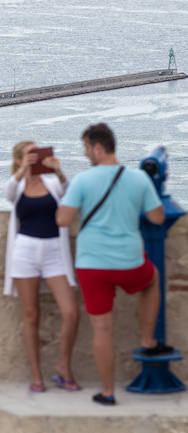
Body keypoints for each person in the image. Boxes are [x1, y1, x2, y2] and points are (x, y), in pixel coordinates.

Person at [57, 123, 165, 406]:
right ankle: (147, 340)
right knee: (152, 280)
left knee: (102, 329)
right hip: (129, 260)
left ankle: (108, 392)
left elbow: (63, 220)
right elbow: (156, 218)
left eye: (85, 149)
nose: (85, 155)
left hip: (92, 265)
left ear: (98, 148)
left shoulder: (82, 181)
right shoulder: (139, 179)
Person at [3, 141, 81, 393]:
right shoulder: (18, 184)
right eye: (29, 154)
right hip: (25, 252)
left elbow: (67, 192)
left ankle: (63, 366)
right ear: (18, 160)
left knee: (71, 312)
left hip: (53, 252)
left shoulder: (51, 182)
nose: (35, 157)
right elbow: (8, 193)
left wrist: (57, 170)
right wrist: (22, 170)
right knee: (31, 315)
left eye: (38, 153)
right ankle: (37, 375)